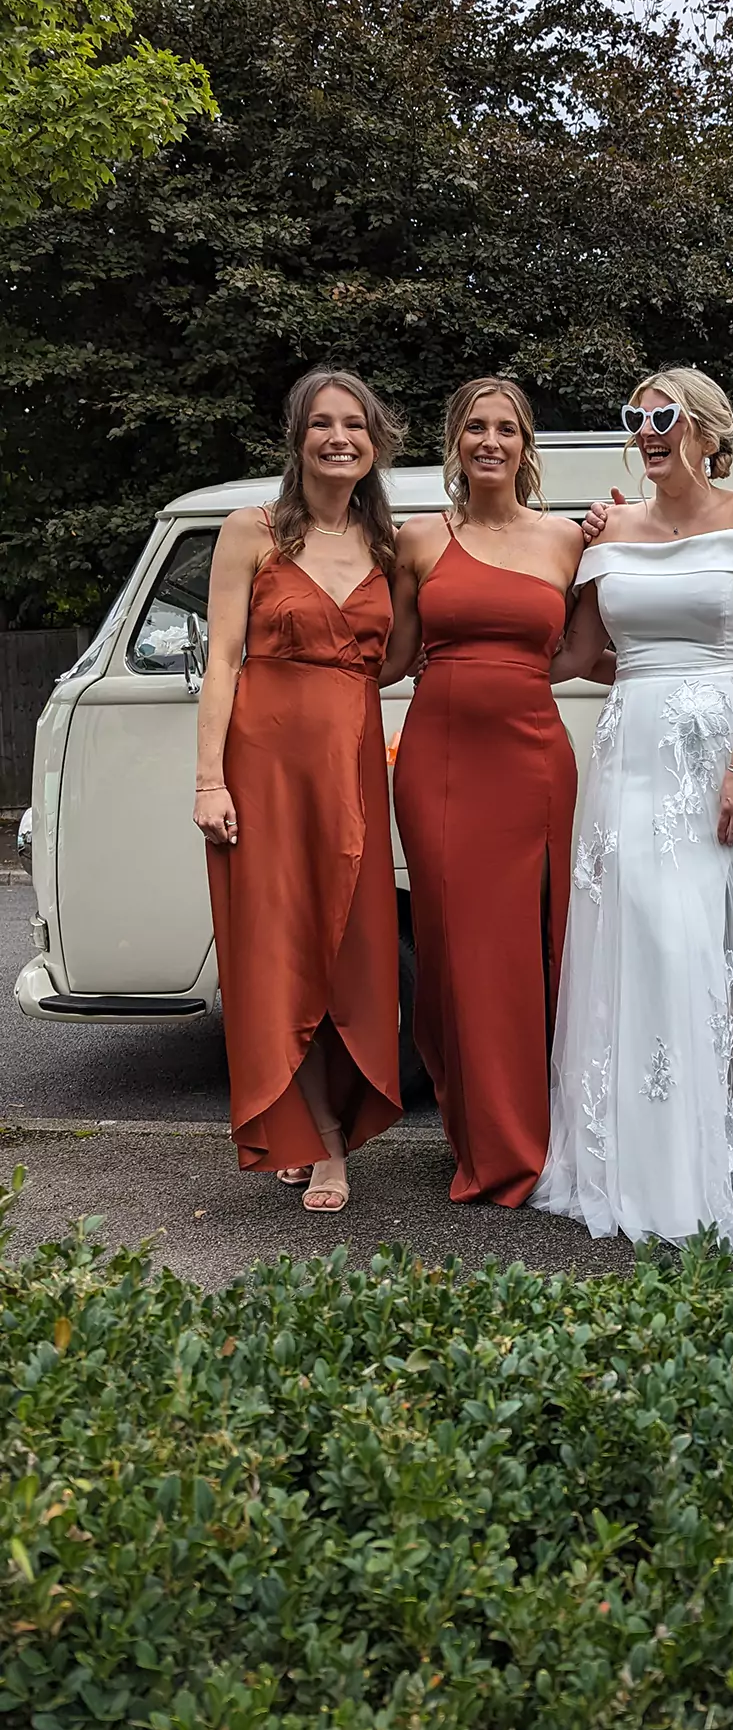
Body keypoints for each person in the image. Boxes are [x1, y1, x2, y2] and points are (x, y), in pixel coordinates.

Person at [532, 367, 733, 1249]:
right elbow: (579, 656)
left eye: (664, 415)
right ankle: (661, 1163)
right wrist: (484, 636)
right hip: (634, 752)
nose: (647, 429)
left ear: (706, 430)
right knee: (654, 943)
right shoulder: (611, 530)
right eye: (635, 417)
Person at [194, 368, 402, 1212]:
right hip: (266, 767)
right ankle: (319, 1139)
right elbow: (222, 661)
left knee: (346, 949)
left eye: (354, 424)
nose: (338, 437)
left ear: (375, 443)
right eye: (321, 423)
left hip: (351, 767)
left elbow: (404, 654)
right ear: (298, 437)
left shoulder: (388, 545)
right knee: (282, 951)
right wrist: (209, 780)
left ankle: (325, 1122)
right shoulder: (251, 531)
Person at [386, 377, 582, 1206]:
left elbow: (585, 652)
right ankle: (482, 1137)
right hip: (440, 763)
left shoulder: (569, 539)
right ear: (455, 442)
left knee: (536, 950)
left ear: (525, 444)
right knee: (457, 954)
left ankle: (541, 1135)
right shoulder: (418, 539)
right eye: (475, 427)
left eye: (506, 428)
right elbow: (390, 656)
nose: (490, 441)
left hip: (533, 759)